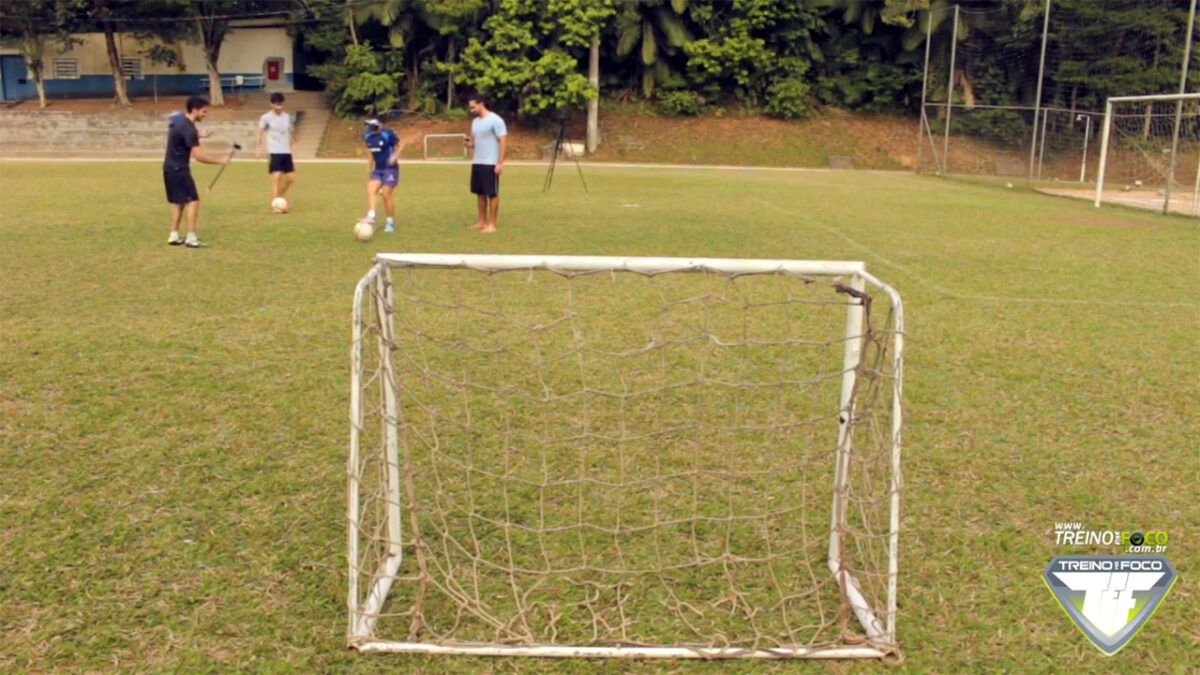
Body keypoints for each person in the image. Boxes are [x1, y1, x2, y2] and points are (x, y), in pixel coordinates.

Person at [164, 96, 231, 248]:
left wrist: (200, 135)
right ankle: (191, 237)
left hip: (169, 168)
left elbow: (181, 135)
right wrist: (220, 160)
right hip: (180, 169)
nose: (205, 115)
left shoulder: (179, 121)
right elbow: (199, 156)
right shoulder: (189, 129)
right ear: (194, 110)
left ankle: (173, 235)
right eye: (203, 112)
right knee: (193, 201)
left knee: (178, 202)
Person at [464, 94, 507, 233]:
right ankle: (482, 221)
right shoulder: (475, 122)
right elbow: (474, 142)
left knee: (492, 193)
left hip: (491, 163)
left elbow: (503, 142)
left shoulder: (496, 120)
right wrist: (469, 144)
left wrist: (499, 163)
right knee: (480, 193)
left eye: (473, 107)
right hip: (478, 161)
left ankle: (492, 224)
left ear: (481, 103)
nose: (471, 110)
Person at [360, 118, 403, 233]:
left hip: (390, 169)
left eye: (371, 126)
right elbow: (370, 152)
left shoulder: (387, 134)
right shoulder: (367, 137)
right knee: (370, 188)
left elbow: (400, 144)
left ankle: (390, 222)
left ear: (377, 126)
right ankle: (371, 215)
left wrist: (395, 156)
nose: (369, 128)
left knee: (385, 194)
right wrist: (369, 166)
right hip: (378, 169)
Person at [255, 92, 296, 209]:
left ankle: (278, 197)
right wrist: (258, 149)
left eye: (281, 105)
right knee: (276, 177)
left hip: (286, 151)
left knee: (290, 179)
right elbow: (260, 133)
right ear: (271, 104)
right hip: (274, 151)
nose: (279, 107)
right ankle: (275, 203)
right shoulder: (266, 118)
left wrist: (293, 142)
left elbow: (290, 131)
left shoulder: (287, 117)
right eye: (277, 105)